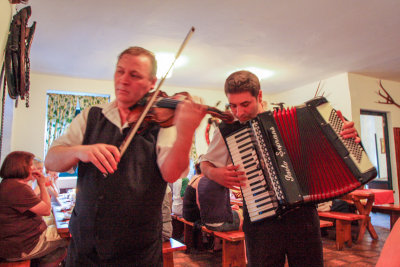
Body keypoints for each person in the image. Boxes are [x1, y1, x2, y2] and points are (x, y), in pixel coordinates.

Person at [44, 46, 206, 266]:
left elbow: (172, 173)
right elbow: (51, 159)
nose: (123, 80)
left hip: (137, 254)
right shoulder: (91, 116)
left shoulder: (163, 124)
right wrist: (81, 150)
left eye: (134, 75)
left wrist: (186, 132)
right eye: (120, 71)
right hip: (83, 250)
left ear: (152, 83)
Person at [200, 70, 361, 267]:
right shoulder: (229, 129)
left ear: (259, 96)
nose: (239, 112)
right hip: (260, 222)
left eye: (245, 104)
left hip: (303, 218)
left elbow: (338, 145)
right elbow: (205, 163)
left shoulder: (295, 117)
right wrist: (213, 172)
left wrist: (347, 137)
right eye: (233, 105)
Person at [0, 151, 68, 266]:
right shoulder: (18, 188)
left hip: (16, 243)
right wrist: (41, 184)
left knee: (59, 227)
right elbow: (46, 210)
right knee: (73, 235)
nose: (34, 169)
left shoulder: (8, 184)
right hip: (24, 246)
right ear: (20, 167)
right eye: (31, 165)